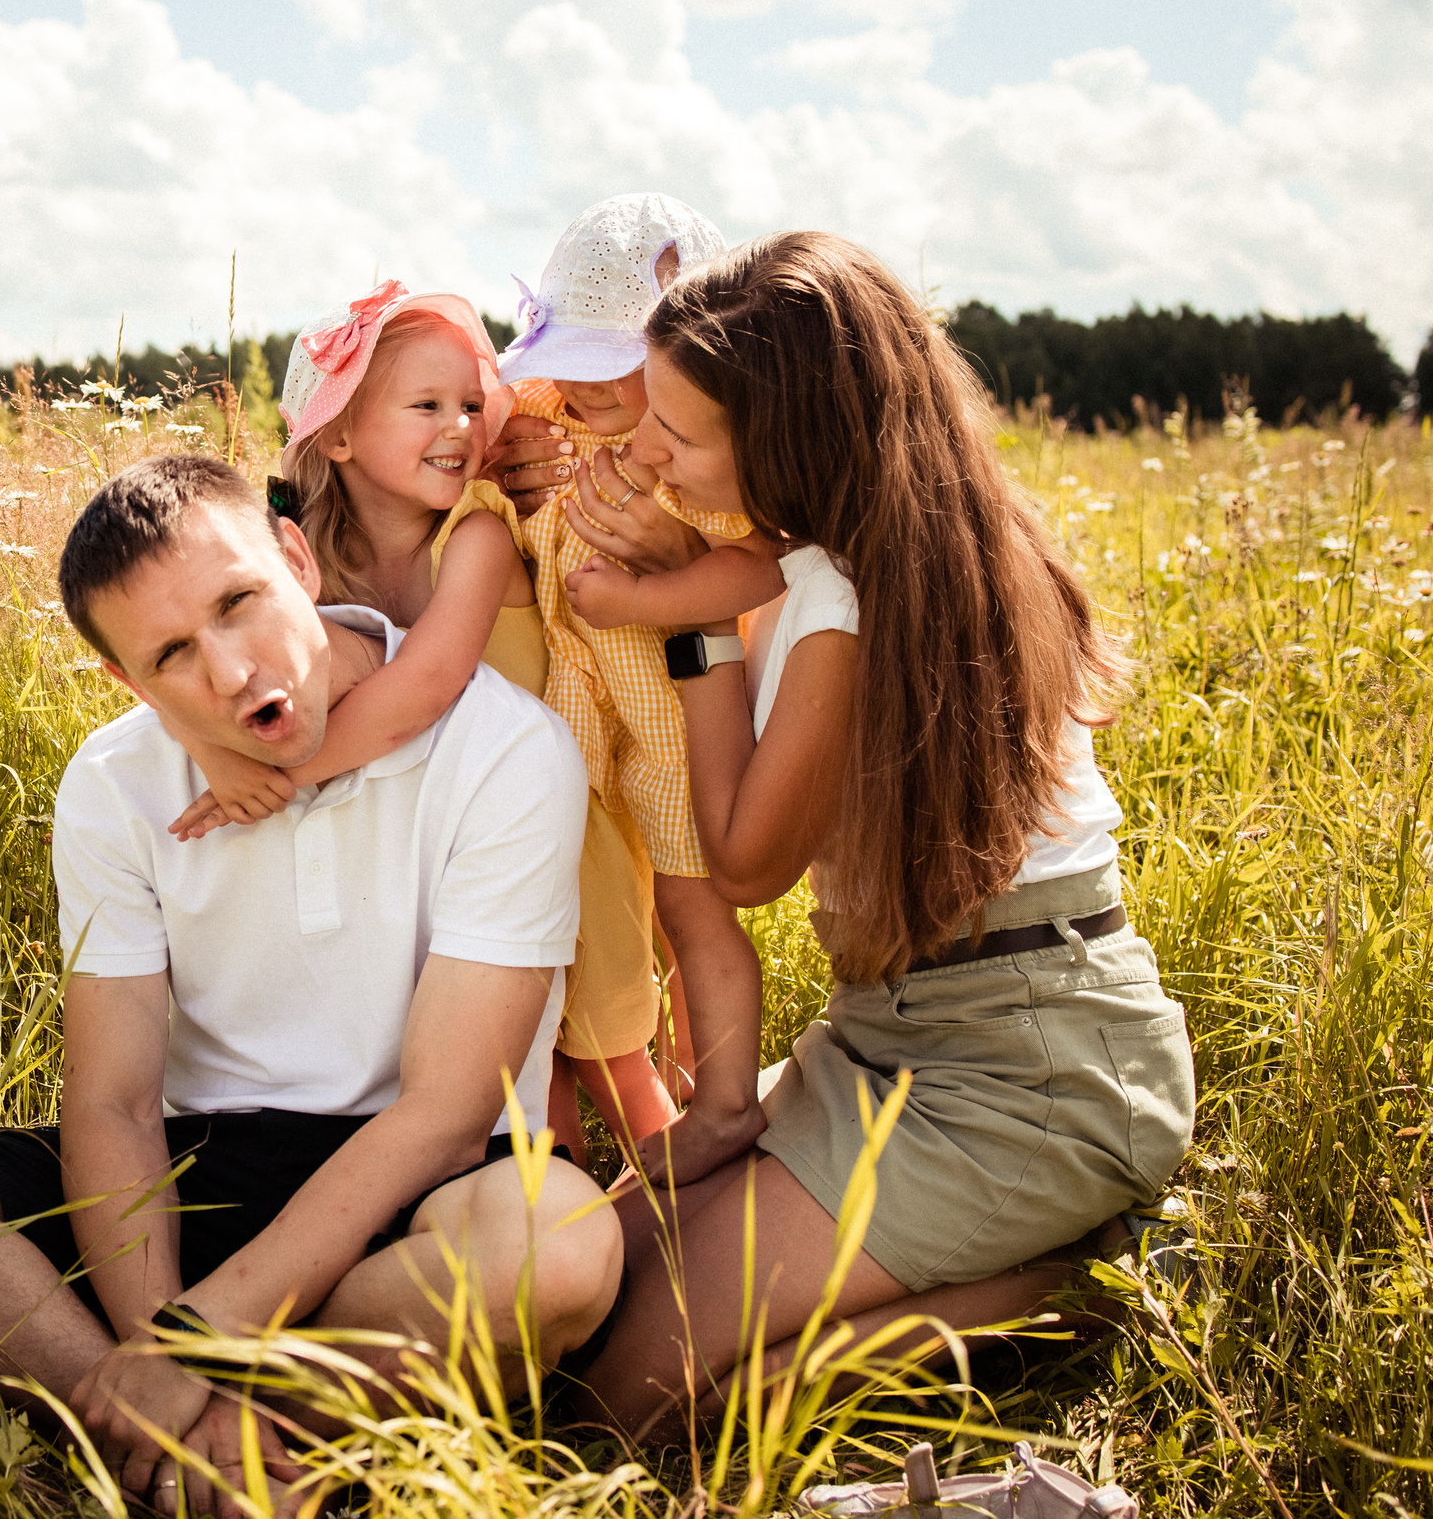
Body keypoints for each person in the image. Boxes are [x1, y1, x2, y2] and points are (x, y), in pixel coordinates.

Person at [0, 455, 623, 1513]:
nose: (229, 672)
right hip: (201, 1177)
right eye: (173, 652)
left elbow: (448, 1117)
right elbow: (114, 1102)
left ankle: (202, 1437)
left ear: (297, 560)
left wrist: (198, 1339)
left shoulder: (504, 749)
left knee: (561, 1245)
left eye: (239, 602)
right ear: (129, 684)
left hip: (415, 1202)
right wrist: (156, 1340)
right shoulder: (114, 780)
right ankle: (156, 1432)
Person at [553, 231, 1196, 1436]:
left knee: (634, 1392)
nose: (640, 448)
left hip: (1029, 1069)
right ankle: (1022, 1267)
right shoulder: (872, 543)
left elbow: (744, 867)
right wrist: (694, 578)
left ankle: (1078, 1288)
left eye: (680, 434)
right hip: (894, 1032)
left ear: (793, 445)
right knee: (591, 1288)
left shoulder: (845, 596)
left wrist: (682, 629)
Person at [501, 194, 789, 1187]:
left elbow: (759, 570)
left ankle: (715, 1103)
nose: (579, 390)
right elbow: (498, 427)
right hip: (575, 709)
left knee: (689, 911)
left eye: (603, 365)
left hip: (674, 725)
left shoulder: (703, 466)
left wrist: (642, 592)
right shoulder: (551, 421)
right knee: (574, 898)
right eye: (567, 364)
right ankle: (599, 1084)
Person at [161, 281, 537, 840]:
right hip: (411, 815)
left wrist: (275, 776)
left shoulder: (477, 537)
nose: (460, 425)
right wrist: (211, 752)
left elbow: (426, 685)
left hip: (515, 797)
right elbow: (175, 652)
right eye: (427, 405)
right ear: (339, 436)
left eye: (473, 405)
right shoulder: (297, 544)